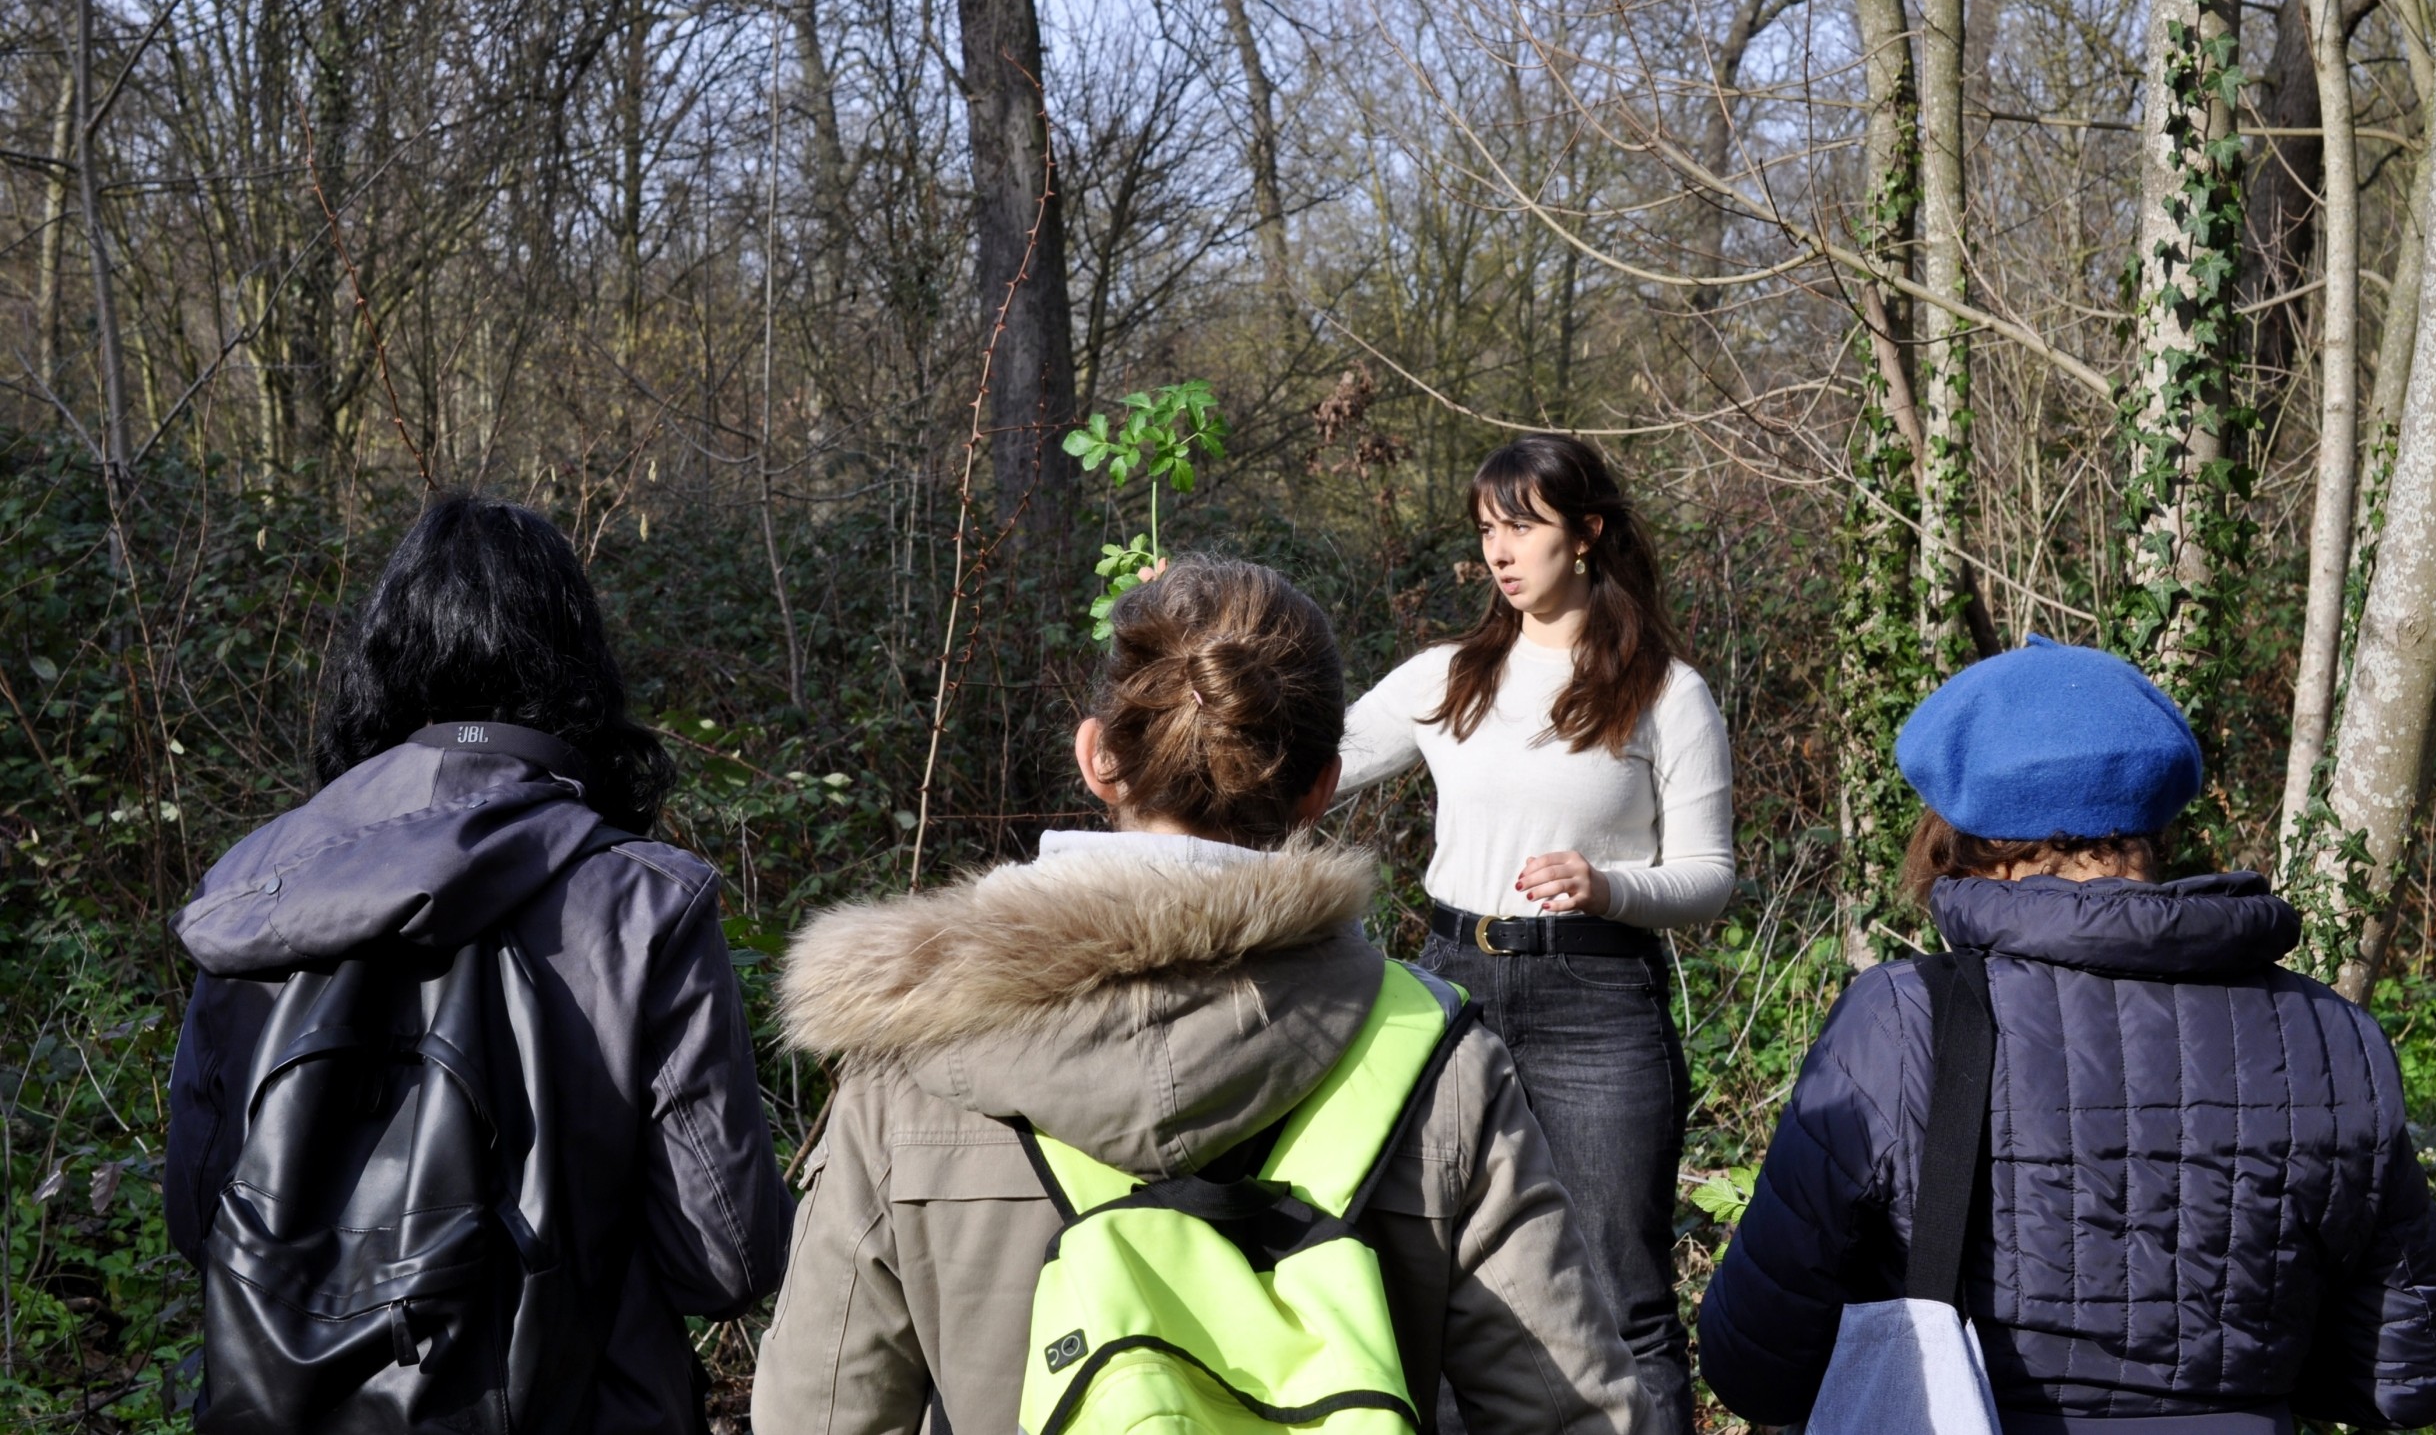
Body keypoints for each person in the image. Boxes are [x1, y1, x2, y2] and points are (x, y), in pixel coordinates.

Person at [749, 556, 1660, 1435]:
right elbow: (1571, 1410)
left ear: (1097, 757)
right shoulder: (1434, 1056)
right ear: (1321, 790)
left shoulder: (913, 1054)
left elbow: (818, 1412)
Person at [1700, 636, 2436, 1433]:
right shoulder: (2328, 1035)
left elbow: (1752, 1362)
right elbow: (2406, 1375)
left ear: (1973, 846)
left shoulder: (1902, 1020)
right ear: (2152, 824)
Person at [167, 494, 793, 1434]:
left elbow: (197, 1219)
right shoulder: (640, 901)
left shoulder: (253, 886)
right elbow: (722, 1261)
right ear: (576, 666)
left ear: (385, 662)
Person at [1334, 435, 1734, 1432]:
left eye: (1521, 527)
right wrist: (1191, 657)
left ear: (1586, 533)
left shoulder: (1666, 694)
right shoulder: (1445, 677)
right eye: (1485, 532)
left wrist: (1607, 886)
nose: (1499, 553)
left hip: (1597, 1003)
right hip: (1446, 990)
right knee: (1422, 1274)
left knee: (1619, 1289)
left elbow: (1710, 880)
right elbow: (1309, 763)